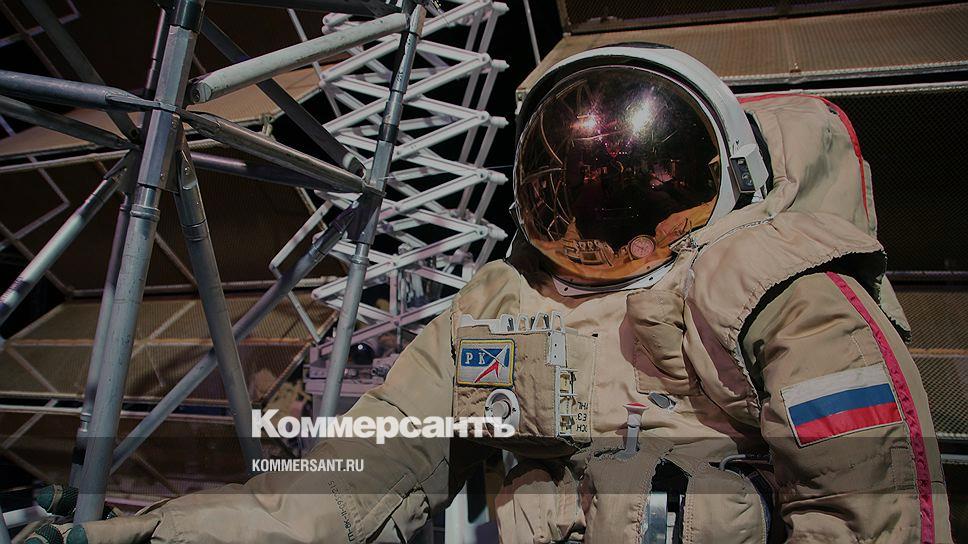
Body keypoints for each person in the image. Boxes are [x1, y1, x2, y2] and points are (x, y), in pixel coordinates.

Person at [33, 44, 952, 544]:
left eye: (633, 176)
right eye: (575, 183)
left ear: (722, 169)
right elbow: (347, 485)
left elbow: (868, 514)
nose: (604, 204)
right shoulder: (501, 310)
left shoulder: (775, 292)